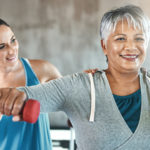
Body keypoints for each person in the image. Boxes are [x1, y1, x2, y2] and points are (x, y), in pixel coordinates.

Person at [0, 4, 150, 150]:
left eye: (139, 38)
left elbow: (70, 103)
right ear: (104, 46)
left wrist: (79, 109)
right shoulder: (77, 86)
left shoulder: (42, 69)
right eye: (121, 39)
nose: (131, 47)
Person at [0, 19, 61, 150]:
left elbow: (73, 99)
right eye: (1, 46)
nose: (12, 50)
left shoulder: (43, 70)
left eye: (13, 40)